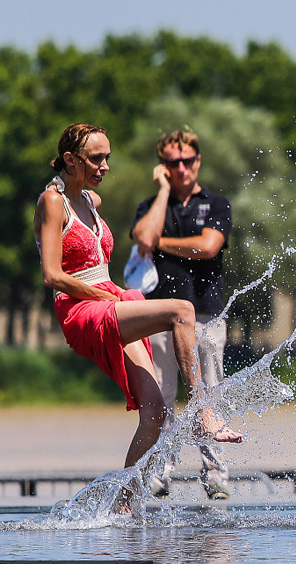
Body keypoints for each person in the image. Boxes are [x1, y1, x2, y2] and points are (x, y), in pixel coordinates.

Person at [33, 123, 242, 506]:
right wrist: (102, 295)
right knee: (182, 311)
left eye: (108, 157)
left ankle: (123, 505)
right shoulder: (52, 201)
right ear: (70, 160)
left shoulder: (91, 202)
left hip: (111, 300)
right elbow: (52, 275)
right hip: (82, 309)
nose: (106, 166)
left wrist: (111, 296)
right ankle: (202, 412)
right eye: (97, 158)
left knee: (156, 410)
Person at [131, 129, 235, 500]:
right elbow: (143, 238)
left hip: (205, 314)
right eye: (172, 163)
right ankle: (161, 471)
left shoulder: (216, 203)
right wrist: (162, 193)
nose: (181, 168)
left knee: (208, 393)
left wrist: (161, 244)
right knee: (162, 396)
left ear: (198, 161)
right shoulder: (152, 206)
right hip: (159, 317)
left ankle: (215, 473)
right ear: (163, 167)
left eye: (187, 160)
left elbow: (208, 247)